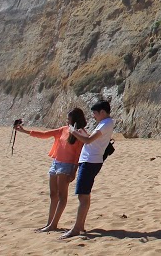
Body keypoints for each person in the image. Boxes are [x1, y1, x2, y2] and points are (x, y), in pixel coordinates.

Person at [14, 108, 88, 232]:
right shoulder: (63, 129)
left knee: (61, 196)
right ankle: (50, 224)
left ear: (74, 119)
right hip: (56, 163)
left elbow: (78, 154)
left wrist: (74, 171)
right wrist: (24, 131)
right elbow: (44, 134)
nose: (67, 120)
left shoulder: (80, 133)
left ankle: (53, 224)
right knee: (53, 194)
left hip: (67, 165)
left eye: (69, 118)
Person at [60, 100, 114, 239]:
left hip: (91, 161)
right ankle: (80, 225)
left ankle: (77, 228)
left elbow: (88, 140)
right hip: (90, 160)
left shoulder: (106, 123)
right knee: (84, 194)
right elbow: (92, 139)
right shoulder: (105, 123)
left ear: (102, 112)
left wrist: (73, 131)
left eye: (95, 113)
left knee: (82, 195)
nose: (94, 116)